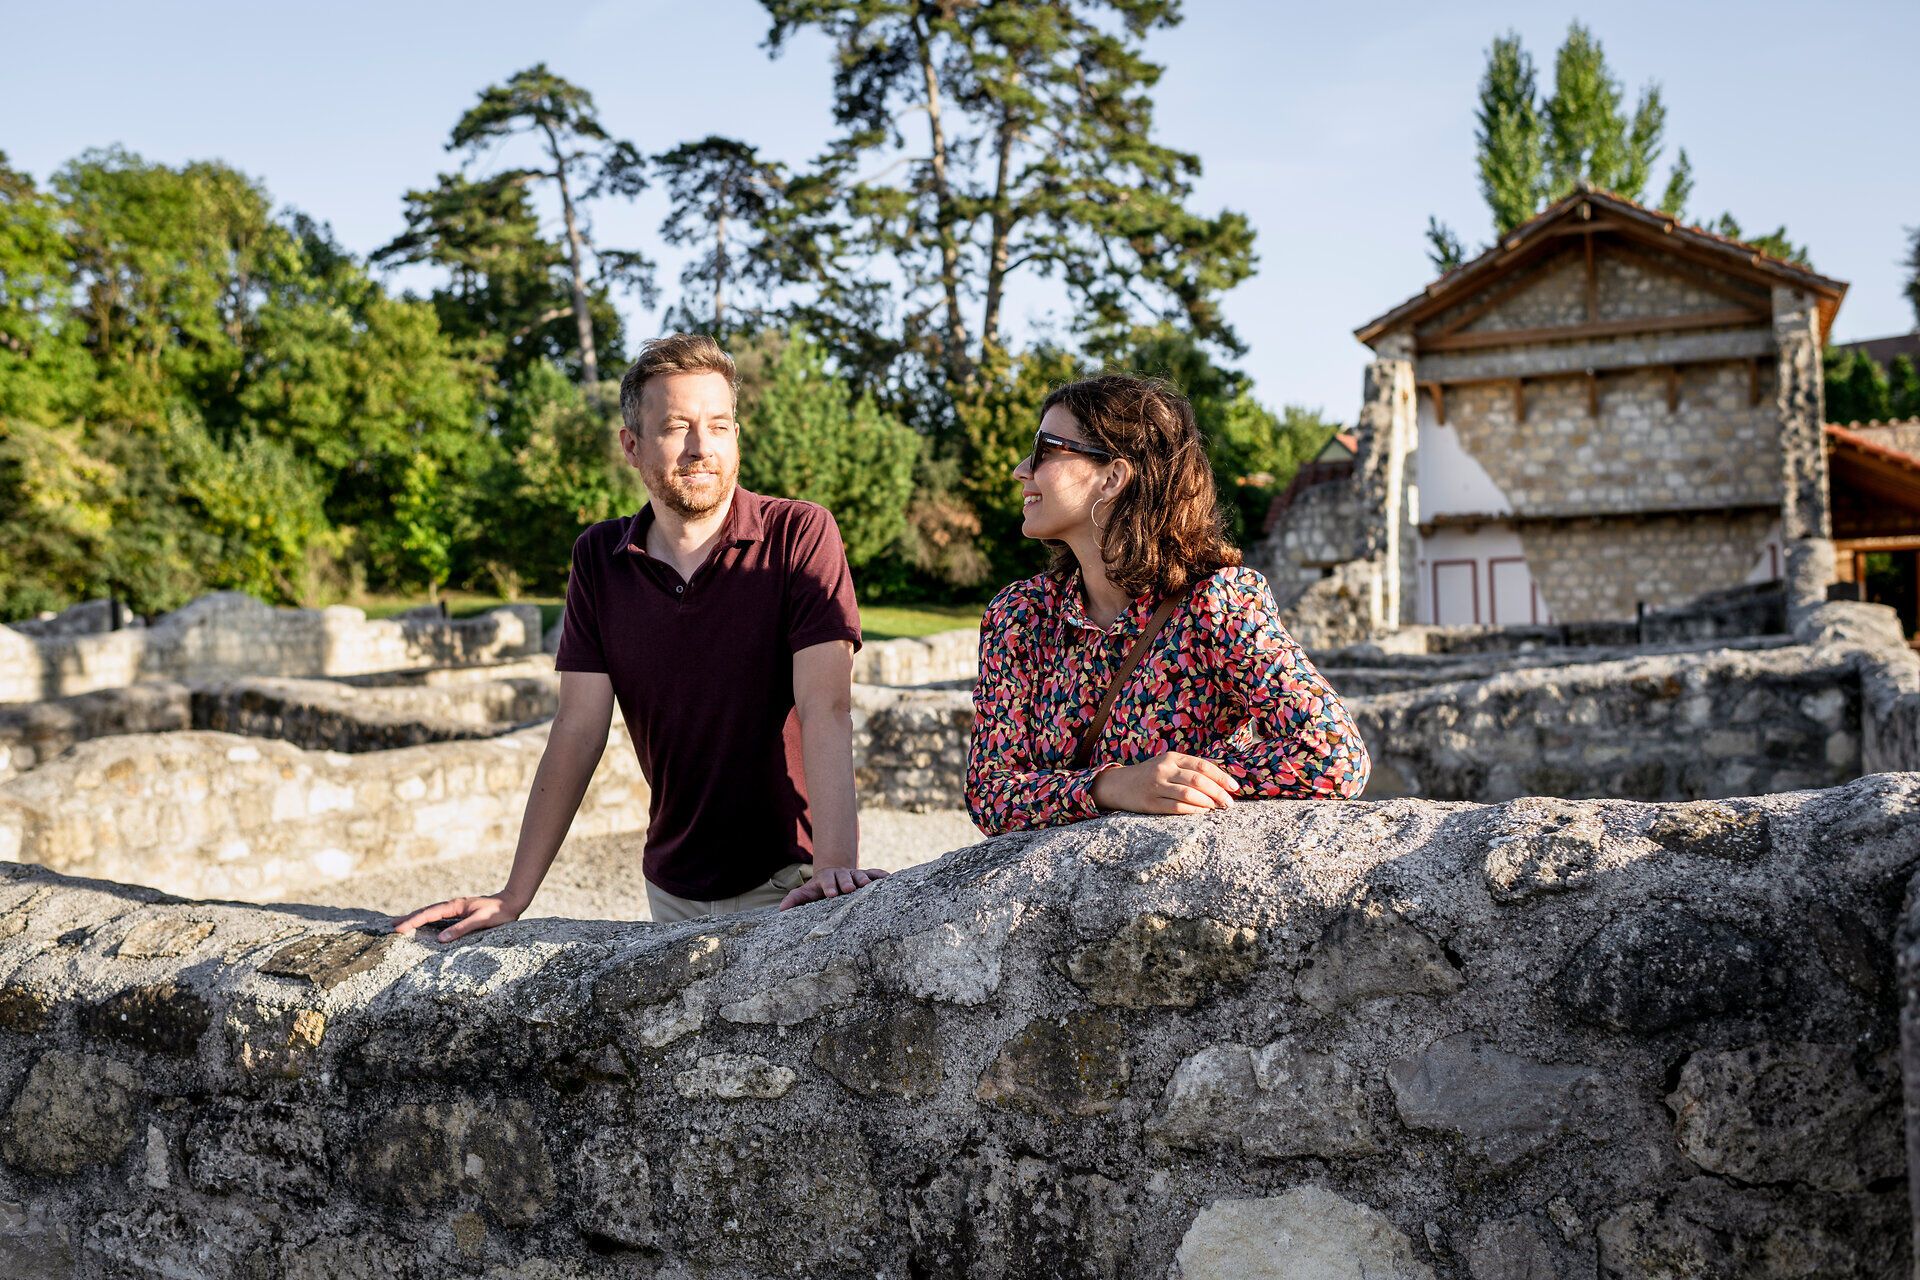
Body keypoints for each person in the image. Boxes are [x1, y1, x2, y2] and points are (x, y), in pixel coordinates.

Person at [394, 334, 886, 941]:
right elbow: (577, 729)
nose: (702, 447)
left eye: (720, 425)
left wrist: (835, 867)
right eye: (678, 426)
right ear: (632, 444)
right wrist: (513, 896)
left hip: (794, 883)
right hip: (671, 888)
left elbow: (826, 706)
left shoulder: (798, 535)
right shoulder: (600, 558)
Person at [966, 373, 1369, 835]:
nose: (1021, 469)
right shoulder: (1019, 616)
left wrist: (1182, 782)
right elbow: (990, 793)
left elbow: (1333, 752)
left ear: (1113, 476)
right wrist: (1114, 787)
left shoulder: (1215, 604)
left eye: (1045, 450)